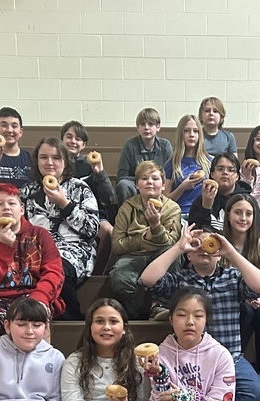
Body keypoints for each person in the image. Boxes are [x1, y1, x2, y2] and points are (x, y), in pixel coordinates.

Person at [141, 224, 260, 401]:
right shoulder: (180, 279)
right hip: (186, 358)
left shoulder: (232, 278)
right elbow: (148, 280)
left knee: (255, 391)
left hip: (229, 356)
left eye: (210, 244)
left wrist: (231, 252)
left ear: (219, 253)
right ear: (189, 255)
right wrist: (179, 247)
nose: (202, 248)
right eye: (196, 244)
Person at [0, 184, 65, 357]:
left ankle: (39, 374)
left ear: (22, 209)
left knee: (39, 311)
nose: (6, 208)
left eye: (11, 203)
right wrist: (3, 248)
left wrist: (39, 298)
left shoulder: (40, 235)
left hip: (31, 295)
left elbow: (54, 272)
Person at [21, 137, 100, 320]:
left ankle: (71, 322)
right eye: (44, 157)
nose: (49, 163)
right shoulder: (27, 191)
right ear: (36, 161)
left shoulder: (80, 188)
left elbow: (92, 229)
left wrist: (65, 205)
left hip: (73, 251)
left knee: (56, 268)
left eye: (56, 158)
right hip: (35, 250)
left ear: (65, 162)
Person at [107, 161, 182, 321]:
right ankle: (133, 315)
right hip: (132, 256)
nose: (149, 182)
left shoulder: (172, 208)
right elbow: (117, 244)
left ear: (163, 185)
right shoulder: (127, 207)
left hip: (161, 255)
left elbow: (170, 242)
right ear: (137, 185)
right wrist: (146, 238)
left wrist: (155, 226)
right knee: (119, 278)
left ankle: (159, 306)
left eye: (155, 178)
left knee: (174, 255)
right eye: (144, 178)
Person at [224, 193, 260, 375]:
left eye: (248, 214)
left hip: (253, 298)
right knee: (245, 311)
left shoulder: (259, 245)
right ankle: (233, 361)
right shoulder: (219, 243)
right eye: (238, 213)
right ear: (228, 214)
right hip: (224, 298)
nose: (243, 218)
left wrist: (257, 297)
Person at [60, 120, 116, 273]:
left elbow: (109, 198)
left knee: (108, 231)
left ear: (83, 145)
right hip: (65, 215)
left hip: (91, 215)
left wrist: (100, 173)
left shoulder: (89, 165)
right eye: (69, 137)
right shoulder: (56, 164)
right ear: (62, 140)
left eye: (78, 139)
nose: (73, 141)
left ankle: (96, 274)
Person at [187, 153, 260, 239]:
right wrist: (206, 207)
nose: (225, 172)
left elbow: (259, 236)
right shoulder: (201, 200)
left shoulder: (247, 201)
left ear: (237, 176)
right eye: (220, 169)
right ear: (212, 174)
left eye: (231, 170)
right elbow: (194, 237)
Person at [115, 107, 173, 202]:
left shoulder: (165, 145)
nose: (146, 127)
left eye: (151, 124)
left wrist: (153, 180)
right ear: (138, 128)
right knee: (123, 184)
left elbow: (170, 173)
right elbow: (121, 176)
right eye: (142, 124)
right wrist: (143, 180)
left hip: (158, 185)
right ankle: (128, 213)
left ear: (158, 127)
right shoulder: (129, 146)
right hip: (136, 186)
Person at [163, 114, 210, 216]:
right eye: (187, 131)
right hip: (179, 213)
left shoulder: (210, 162)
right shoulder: (171, 164)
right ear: (181, 134)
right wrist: (182, 187)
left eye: (196, 131)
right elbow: (165, 201)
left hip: (203, 213)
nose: (191, 134)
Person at [0, 107, 32, 189]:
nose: (9, 130)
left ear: (20, 132)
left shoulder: (30, 159)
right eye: (4, 125)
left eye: (14, 126)